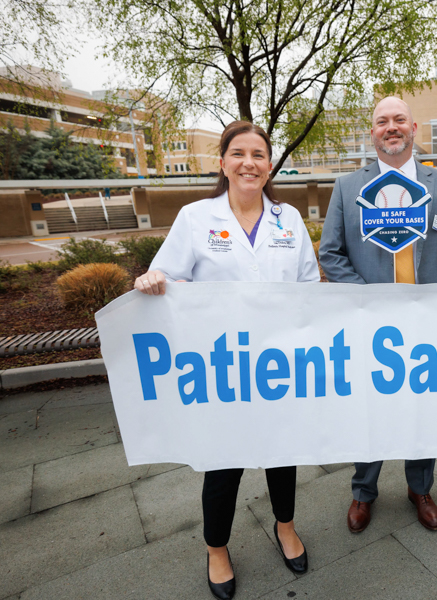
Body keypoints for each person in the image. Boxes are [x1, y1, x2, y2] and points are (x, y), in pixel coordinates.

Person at [134, 121, 319, 599]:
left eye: (258, 155)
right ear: (223, 162)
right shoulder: (196, 218)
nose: (248, 163)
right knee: (224, 462)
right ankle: (217, 548)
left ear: (270, 164)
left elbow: (310, 291)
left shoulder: (289, 220)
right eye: (238, 154)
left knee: (283, 452)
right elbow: (166, 274)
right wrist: (152, 280)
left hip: (280, 365)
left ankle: (286, 525)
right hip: (222, 367)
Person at [319, 96, 437, 534]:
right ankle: (363, 492)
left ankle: (420, 488)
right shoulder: (347, 189)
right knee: (370, 408)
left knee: (422, 407)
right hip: (370, 326)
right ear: (372, 133)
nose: (391, 127)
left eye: (399, 120)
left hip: (426, 329)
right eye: (382, 121)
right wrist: (368, 302)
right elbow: (330, 254)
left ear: (414, 129)